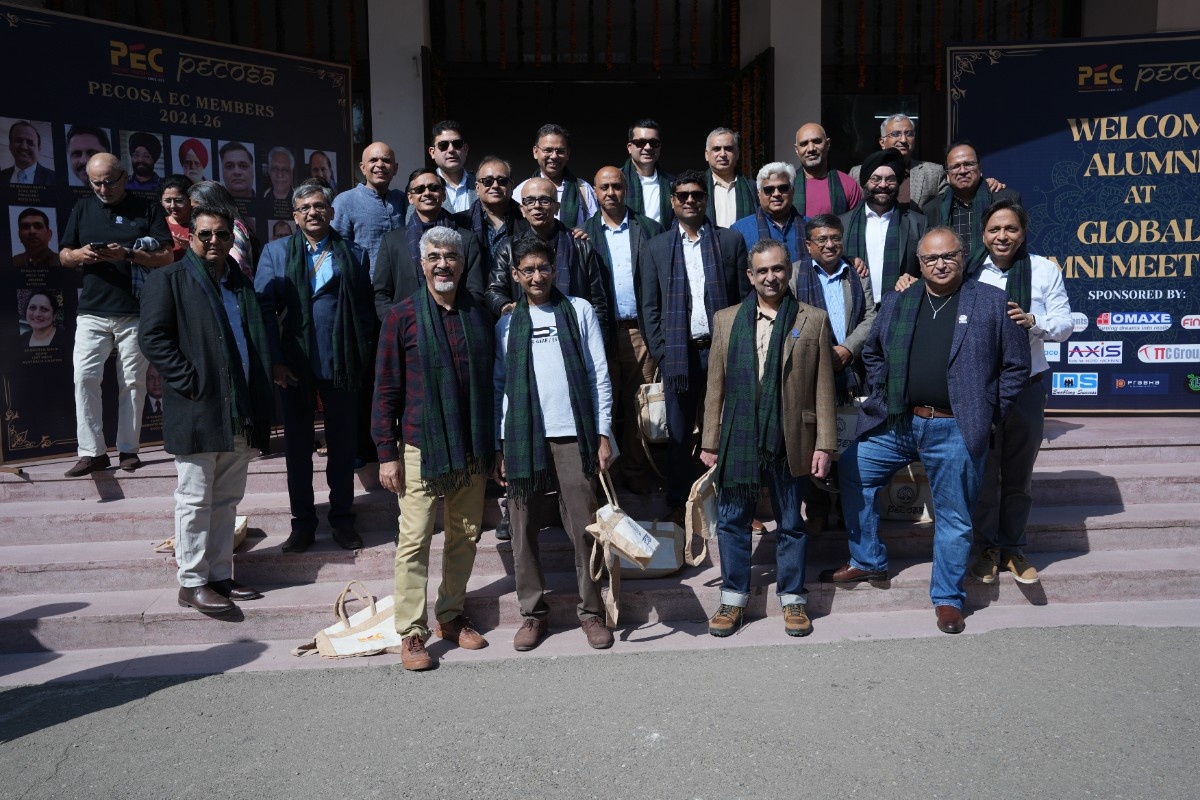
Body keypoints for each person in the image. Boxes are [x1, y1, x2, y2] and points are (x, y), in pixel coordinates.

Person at [820, 227, 1030, 635]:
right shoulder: (899, 300)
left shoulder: (992, 302)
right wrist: (884, 391)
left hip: (955, 426)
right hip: (899, 421)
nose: (940, 264)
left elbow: (1016, 366)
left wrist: (988, 412)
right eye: (931, 258)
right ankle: (868, 559)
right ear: (919, 263)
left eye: (948, 255)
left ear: (963, 257)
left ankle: (948, 598)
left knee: (954, 516)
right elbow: (874, 351)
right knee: (854, 468)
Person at [138, 205, 274, 615]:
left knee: (227, 499)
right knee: (195, 498)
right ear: (190, 236)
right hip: (198, 406)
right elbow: (153, 337)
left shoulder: (240, 284)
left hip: (238, 407)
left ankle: (219, 574)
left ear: (232, 238)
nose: (214, 241)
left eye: (222, 234)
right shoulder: (169, 279)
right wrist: (191, 380)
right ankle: (192, 582)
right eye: (205, 234)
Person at [700, 239, 837, 637]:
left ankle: (793, 599)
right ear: (750, 275)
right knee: (732, 521)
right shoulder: (726, 320)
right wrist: (710, 441)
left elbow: (824, 387)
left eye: (777, 269)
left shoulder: (812, 319)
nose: (770, 277)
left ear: (788, 271)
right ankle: (733, 599)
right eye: (762, 270)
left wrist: (825, 443)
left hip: (790, 437)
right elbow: (715, 387)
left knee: (792, 521)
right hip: (739, 437)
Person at [372, 227, 494, 670]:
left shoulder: (478, 313)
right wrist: (386, 453)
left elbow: (491, 384)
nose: (443, 264)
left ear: (462, 264)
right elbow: (386, 389)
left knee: (465, 533)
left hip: (471, 444)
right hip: (419, 445)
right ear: (422, 265)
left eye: (451, 257)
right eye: (435, 257)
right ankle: (411, 631)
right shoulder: (401, 316)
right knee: (415, 538)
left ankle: (451, 615)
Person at [494, 236, 615, 652]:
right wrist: (500, 443)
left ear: (554, 269)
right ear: (515, 275)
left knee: (584, 526)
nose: (536, 276)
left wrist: (602, 433)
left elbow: (598, 373)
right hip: (522, 437)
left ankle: (592, 611)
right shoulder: (506, 324)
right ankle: (532, 613)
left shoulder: (579, 310)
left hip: (573, 434)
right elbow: (500, 387)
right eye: (527, 270)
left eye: (543, 268)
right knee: (521, 528)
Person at [254, 179, 375, 553]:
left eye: (320, 206)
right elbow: (263, 311)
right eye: (305, 207)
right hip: (293, 365)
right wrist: (275, 361)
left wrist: (359, 357)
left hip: (341, 364)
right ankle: (302, 524)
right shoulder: (275, 253)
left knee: (342, 447)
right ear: (294, 215)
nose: (313, 212)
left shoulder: (354, 253)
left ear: (331, 212)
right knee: (297, 449)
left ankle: (342, 519)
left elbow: (364, 311)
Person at [969, 200, 1073, 587]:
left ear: (1023, 233)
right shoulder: (968, 271)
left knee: (1018, 475)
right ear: (983, 234)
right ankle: (986, 548)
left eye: (1010, 229)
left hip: (1027, 386)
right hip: (980, 388)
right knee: (983, 475)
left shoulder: (1044, 270)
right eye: (994, 229)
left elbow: (1064, 324)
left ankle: (1013, 547)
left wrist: (1033, 321)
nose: (1002, 236)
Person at [639, 169, 749, 525]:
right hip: (679, 355)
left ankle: (737, 501)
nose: (690, 200)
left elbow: (743, 299)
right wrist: (662, 352)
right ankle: (679, 502)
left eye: (697, 195)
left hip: (723, 351)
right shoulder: (656, 247)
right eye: (683, 195)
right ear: (673, 201)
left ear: (706, 199)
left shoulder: (730, 241)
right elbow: (650, 307)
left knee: (729, 428)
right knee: (679, 433)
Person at [58, 153, 172, 477]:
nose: (102, 188)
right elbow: (64, 255)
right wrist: (81, 254)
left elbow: (166, 255)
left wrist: (128, 254)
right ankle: (91, 452)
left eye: (109, 181)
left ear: (124, 177)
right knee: (84, 378)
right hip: (92, 311)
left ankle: (128, 450)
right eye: (95, 182)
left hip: (135, 309)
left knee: (133, 382)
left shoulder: (147, 208)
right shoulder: (82, 208)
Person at [791, 214, 877, 534]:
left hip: (851, 372)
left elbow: (871, 316)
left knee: (851, 440)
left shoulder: (856, 273)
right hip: (810, 373)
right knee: (813, 440)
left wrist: (848, 349)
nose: (830, 245)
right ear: (808, 245)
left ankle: (846, 509)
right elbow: (787, 321)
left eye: (835, 238)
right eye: (822, 239)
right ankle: (816, 509)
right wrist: (813, 349)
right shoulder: (794, 274)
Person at [582, 166, 664, 493]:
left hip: (639, 332)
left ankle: (633, 469)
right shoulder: (582, 234)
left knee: (637, 405)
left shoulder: (650, 228)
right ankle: (607, 476)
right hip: (599, 333)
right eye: (604, 187)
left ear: (626, 189)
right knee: (604, 404)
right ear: (595, 191)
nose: (611, 193)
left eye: (616, 186)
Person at [487, 176, 608, 330]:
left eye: (544, 200)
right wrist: (505, 306)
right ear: (522, 210)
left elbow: (597, 301)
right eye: (530, 201)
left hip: (574, 329)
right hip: (527, 329)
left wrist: (599, 337)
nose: (537, 206)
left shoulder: (580, 246)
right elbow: (494, 290)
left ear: (557, 207)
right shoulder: (509, 247)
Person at [373, 168, 484, 318]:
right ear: (410, 198)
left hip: (455, 323)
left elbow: (475, 291)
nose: (427, 193)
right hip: (407, 325)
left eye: (433, 188)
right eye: (420, 189)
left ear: (443, 194)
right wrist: (397, 322)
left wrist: (455, 319)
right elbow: (381, 294)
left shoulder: (466, 239)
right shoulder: (392, 241)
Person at [839, 148, 926, 306]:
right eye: (876, 179)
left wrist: (915, 282)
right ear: (865, 181)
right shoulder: (843, 224)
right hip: (857, 310)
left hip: (902, 306)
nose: (883, 185)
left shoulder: (918, 223)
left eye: (890, 179)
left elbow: (928, 269)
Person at [921, 141, 1021, 269]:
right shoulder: (932, 209)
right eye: (955, 166)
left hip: (998, 274)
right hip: (951, 277)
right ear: (948, 173)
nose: (962, 171)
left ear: (980, 167)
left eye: (969, 164)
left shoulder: (1005, 199)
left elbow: (1018, 245)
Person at [330, 141, 407, 273]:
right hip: (365, 281)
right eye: (373, 160)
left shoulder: (403, 200)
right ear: (363, 168)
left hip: (401, 280)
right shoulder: (345, 201)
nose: (380, 165)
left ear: (395, 169)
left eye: (386, 160)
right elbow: (337, 248)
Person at [850, 114, 945, 208]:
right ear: (882, 142)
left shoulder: (933, 173)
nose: (903, 140)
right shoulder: (857, 173)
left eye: (909, 134)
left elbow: (945, 208)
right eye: (895, 134)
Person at [514, 124, 598, 228]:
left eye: (560, 151)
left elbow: (594, 227)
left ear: (568, 153)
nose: (554, 156)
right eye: (548, 150)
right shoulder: (521, 190)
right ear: (535, 152)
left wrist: (583, 232)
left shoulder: (583, 189)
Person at [456, 155, 526, 278]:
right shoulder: (460, 223)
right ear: (477, 187)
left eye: (502, 181)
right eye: (488, 181)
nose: (495, 186)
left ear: (511, 186)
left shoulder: (526, 221)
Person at [730, 161, 805, 261]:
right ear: (759, 194)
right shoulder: (740, 231)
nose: (776, 194)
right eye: (769, 189)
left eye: (783, 188)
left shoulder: (809, 226)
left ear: (792, 191)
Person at [188, 181, 258, 280]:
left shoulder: (233, 227)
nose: (193, 213)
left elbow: (237, 262)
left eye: (195, 208)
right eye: (205, 234)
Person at [792, 123, 861, 216]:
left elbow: (856, 222)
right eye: (804, 144)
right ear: (796, 150)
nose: (811, 149)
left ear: (828, 144)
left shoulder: (848, 184)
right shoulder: (786, 186)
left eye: (817, 141)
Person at [621, 118, 673, 225]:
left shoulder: (672, 183)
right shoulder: (616, 181)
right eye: (641, 142)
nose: (648, 147)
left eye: (654, 143)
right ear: (629, 148)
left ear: (660, 147)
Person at [702, 128, 756, 228]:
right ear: (706, 155)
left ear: (737, 154)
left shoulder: (753, 188)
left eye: (728, 149)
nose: (722, 154)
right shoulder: (697, 187)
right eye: (716, 149)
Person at [428, 120, 475, 214]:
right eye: (443, 145)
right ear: (432, 152)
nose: (451, 150)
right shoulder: (420, 188)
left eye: (457, 144)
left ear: (465, 149)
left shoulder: (483, 184)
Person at [3, 121, 55, 185]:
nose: (24, 147)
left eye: (30, 143)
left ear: (38, 149)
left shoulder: (54, 178)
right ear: (10, 145)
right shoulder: (2, 176)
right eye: (18, 141)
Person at [158, 175, 194, 261]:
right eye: (167, 201)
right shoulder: (157, 225)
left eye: (178, 200)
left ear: (191, 200)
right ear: (161, 202)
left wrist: (193, 247)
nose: (172, 206)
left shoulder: (201, 224)